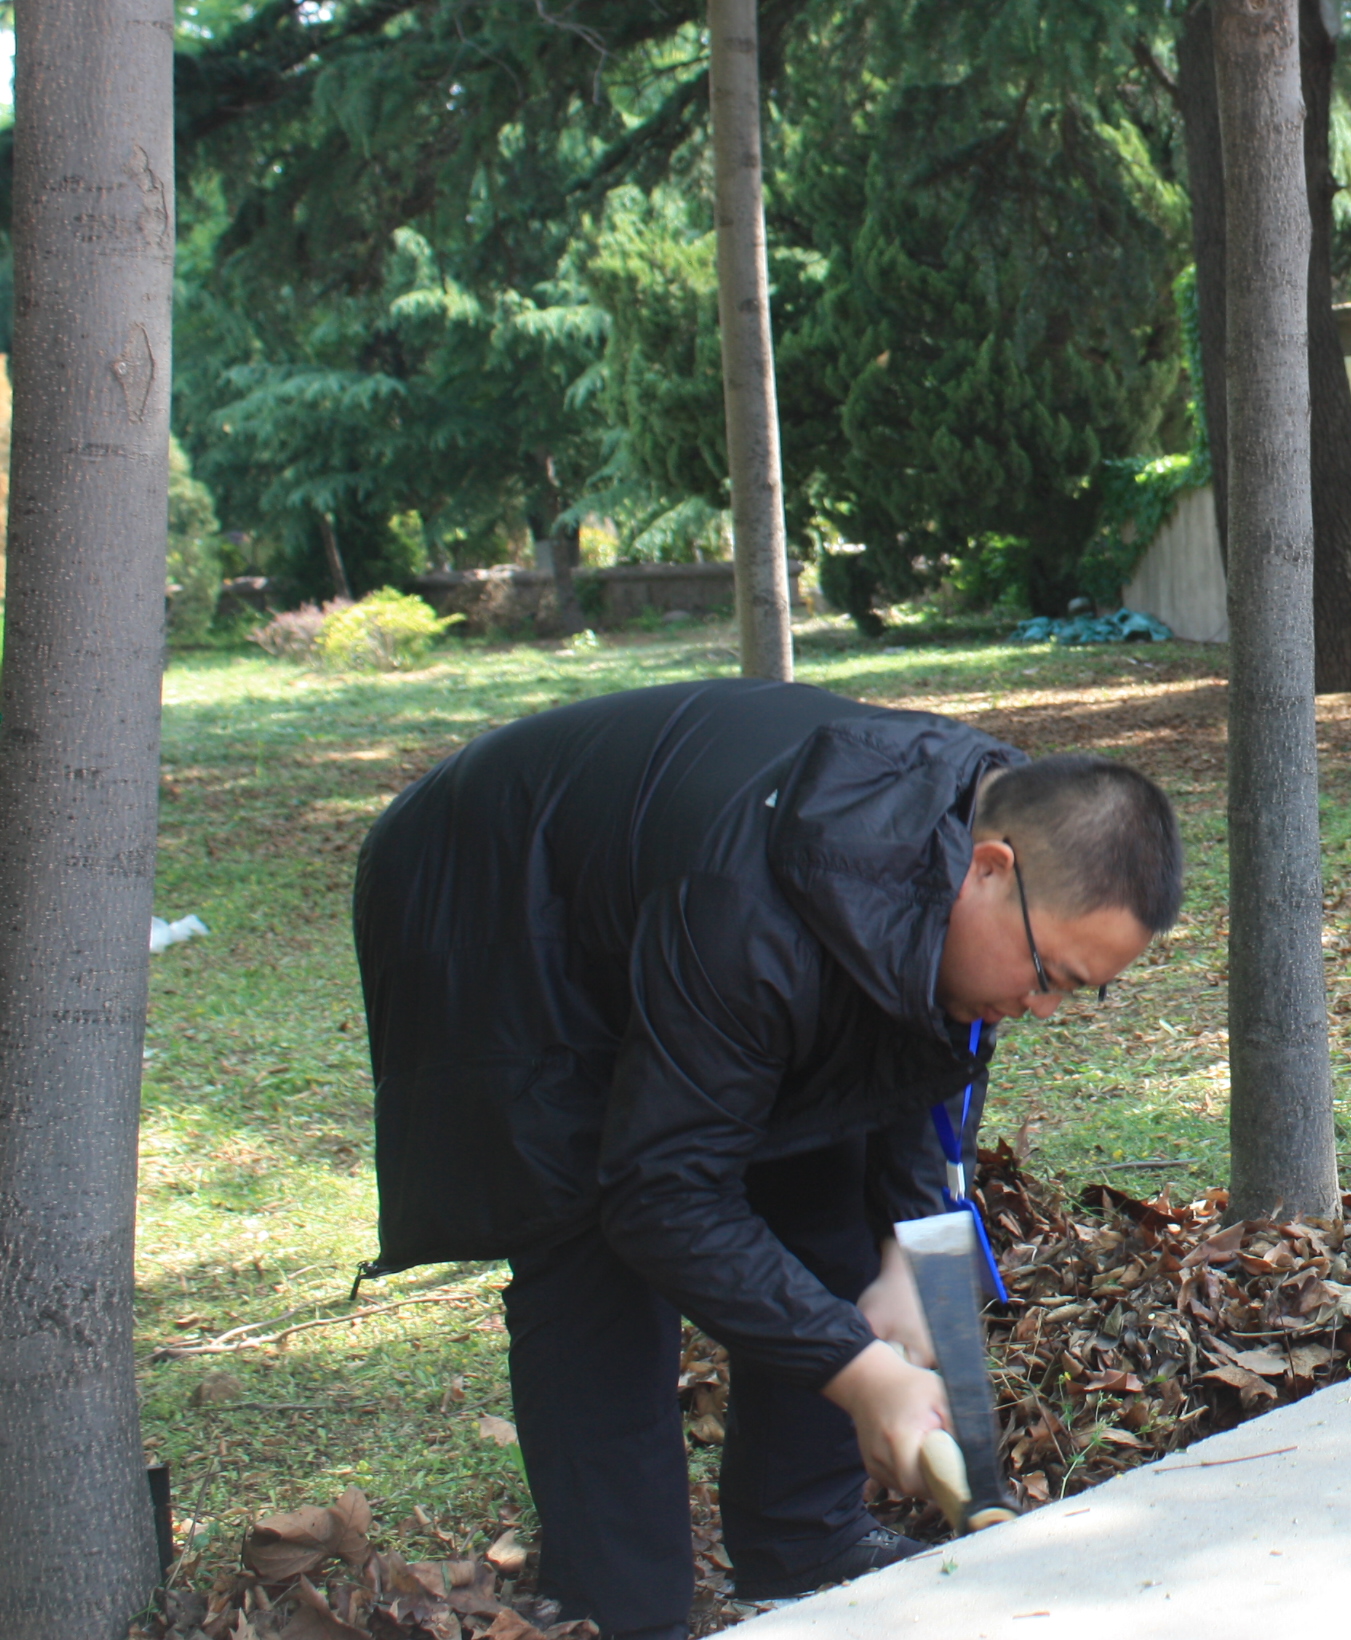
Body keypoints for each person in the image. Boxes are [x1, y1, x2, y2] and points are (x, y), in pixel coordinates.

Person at [353, 680, 1184, 1640]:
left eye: (1079, 993)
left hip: (683, 891)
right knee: (588, 1241)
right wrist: (858, 1370)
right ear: (989, 869)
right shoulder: (745, 917)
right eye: (1047, 977)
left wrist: (912, 1249)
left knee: (825, 1179)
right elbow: (661, 1191)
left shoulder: (1000, 816)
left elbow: (910, 1071)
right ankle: (621, 1607)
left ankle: (804, 1541)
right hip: (494, 897)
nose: (1041, 1011)